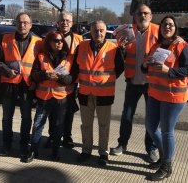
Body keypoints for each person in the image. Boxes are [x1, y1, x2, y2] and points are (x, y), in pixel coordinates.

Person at [143, 15, 188, 181]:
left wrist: (169, 71)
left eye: (171, 25)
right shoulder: (156, 46)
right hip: (155, 93)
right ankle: (165, 156)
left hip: (174, 96)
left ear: (175, 28)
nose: (167, 27)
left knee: (166, 131)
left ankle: (166, 165)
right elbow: (147, 68)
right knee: (151, 127)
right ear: (160, 28)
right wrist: (145, 65)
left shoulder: (182, 46)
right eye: (165, 24)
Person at [110, 4, 159, 163]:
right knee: (127, 116)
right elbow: (122, 57)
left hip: (152, 83)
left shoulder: (158, 31)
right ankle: (122, 144)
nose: (143, 16)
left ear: (150, 16)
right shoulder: (127, 32)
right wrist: (121, 49)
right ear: (135, 16)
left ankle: (151, 148)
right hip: (133, 82)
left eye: (146, 13)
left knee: (152, 119)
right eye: (140, 13)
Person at [71, 20, 124, 166]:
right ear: (90, 31)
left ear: (105, 31)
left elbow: (119, 68)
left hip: (104, 93)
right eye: (95, 30)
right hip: (85, 93)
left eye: (101, 30)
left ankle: (103, 153)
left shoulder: (113, 48)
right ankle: (86, 150)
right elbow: (75, 67)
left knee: (104, 125)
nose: (98, 33)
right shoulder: (81, 46)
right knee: (86, 124)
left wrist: (105, 78)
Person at [23, 31, 73, 163]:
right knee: (38, 125)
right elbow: (34, 74)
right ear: (49, 42)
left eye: (61, 40)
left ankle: (56, 151)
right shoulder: (41, 56)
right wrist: (45, 75)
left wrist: (59, 77)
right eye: (56, 41)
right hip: (43, 97)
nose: (59, 43)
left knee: (58, 126)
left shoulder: (68, 58)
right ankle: (33, 151)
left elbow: (71, 79)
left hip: (60, 98)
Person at [0, 12, 42, 161]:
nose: (22, 25)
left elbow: (41, 65)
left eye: (25, 22)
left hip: (27, 85)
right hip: (9, 83)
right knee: (6, 117)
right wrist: (6, 70)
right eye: (19, 22)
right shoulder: (6, 39)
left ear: (30, 25)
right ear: (15, 24)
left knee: (26, 117)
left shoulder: (38, 42)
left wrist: (36, 81)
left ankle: (23, 145)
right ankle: (6, 144)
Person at [45, 12, 82, 149]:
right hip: (53, 81)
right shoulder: (51, 37)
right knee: (53, 112)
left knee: (69, 111)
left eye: (67, 21)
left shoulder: (79, 39)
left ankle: (67, 136)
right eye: (62, 20)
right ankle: (52, 136)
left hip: (71, 80)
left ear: (72, 23)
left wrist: (75, 80)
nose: (64, 23)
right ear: (58, 22)